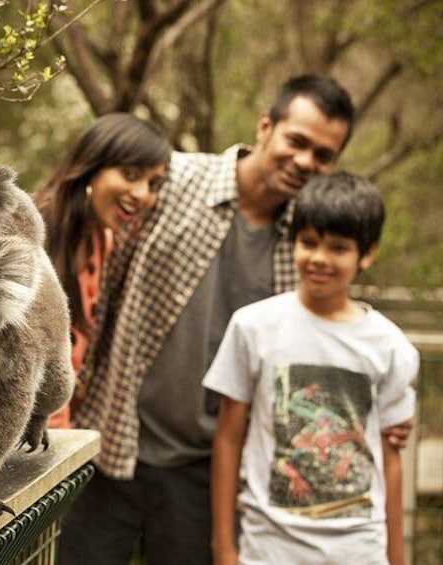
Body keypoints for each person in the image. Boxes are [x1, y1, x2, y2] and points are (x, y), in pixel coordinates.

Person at [59, 74, 392, 564]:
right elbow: (95, 265)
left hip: (204, 470)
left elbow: (325, 337)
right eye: (297, 142)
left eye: (323, 156)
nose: (305, 162)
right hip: (110, 440)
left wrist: (387, 411)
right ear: (265, 127)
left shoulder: (309, 244)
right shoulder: (171, 181)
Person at [203, 172, 417, 564]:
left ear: (366, 255)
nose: (319, 258)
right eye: (309, 242)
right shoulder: (253, 327)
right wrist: (224, 548)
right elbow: (229, 437)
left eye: (338, 248)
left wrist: (397, 557)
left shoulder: (389, 346)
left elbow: (390, 457)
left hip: (359, 550)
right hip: (269, 548)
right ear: (293, 242)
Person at [33, 113, 172, 428]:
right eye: (130, 174)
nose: (142, 194)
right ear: (89, 165)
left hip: (60, 436)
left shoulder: (103, 240)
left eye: (153, 184)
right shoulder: (31, 234)